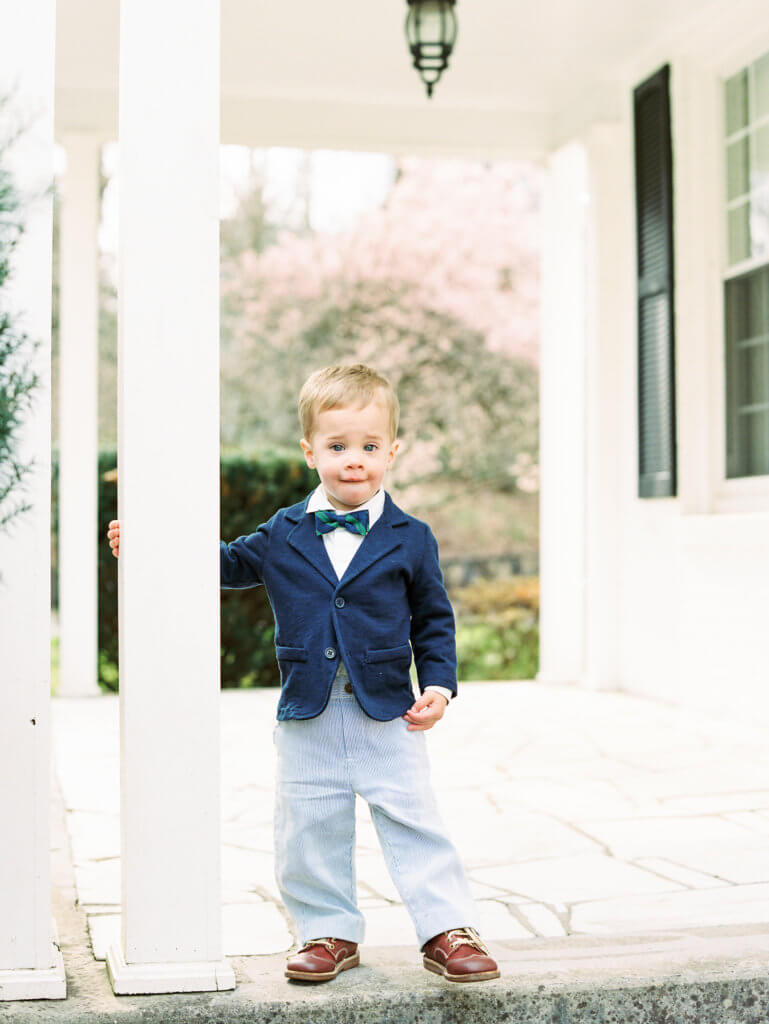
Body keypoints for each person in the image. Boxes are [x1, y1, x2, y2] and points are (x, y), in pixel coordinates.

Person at [107, 363, 499, 984]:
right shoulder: (284, 531)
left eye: (369, 447)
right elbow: (228, 564)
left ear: (392, 450)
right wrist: (155, 545)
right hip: (308, 710)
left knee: (414, 818)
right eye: (338, 446)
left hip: (387, 710)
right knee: (308, 823)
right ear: (309, 451)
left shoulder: (412, 537)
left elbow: (434, 619)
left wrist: (440, 687)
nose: (354, 461)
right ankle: (326, 929)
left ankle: (446, 928)